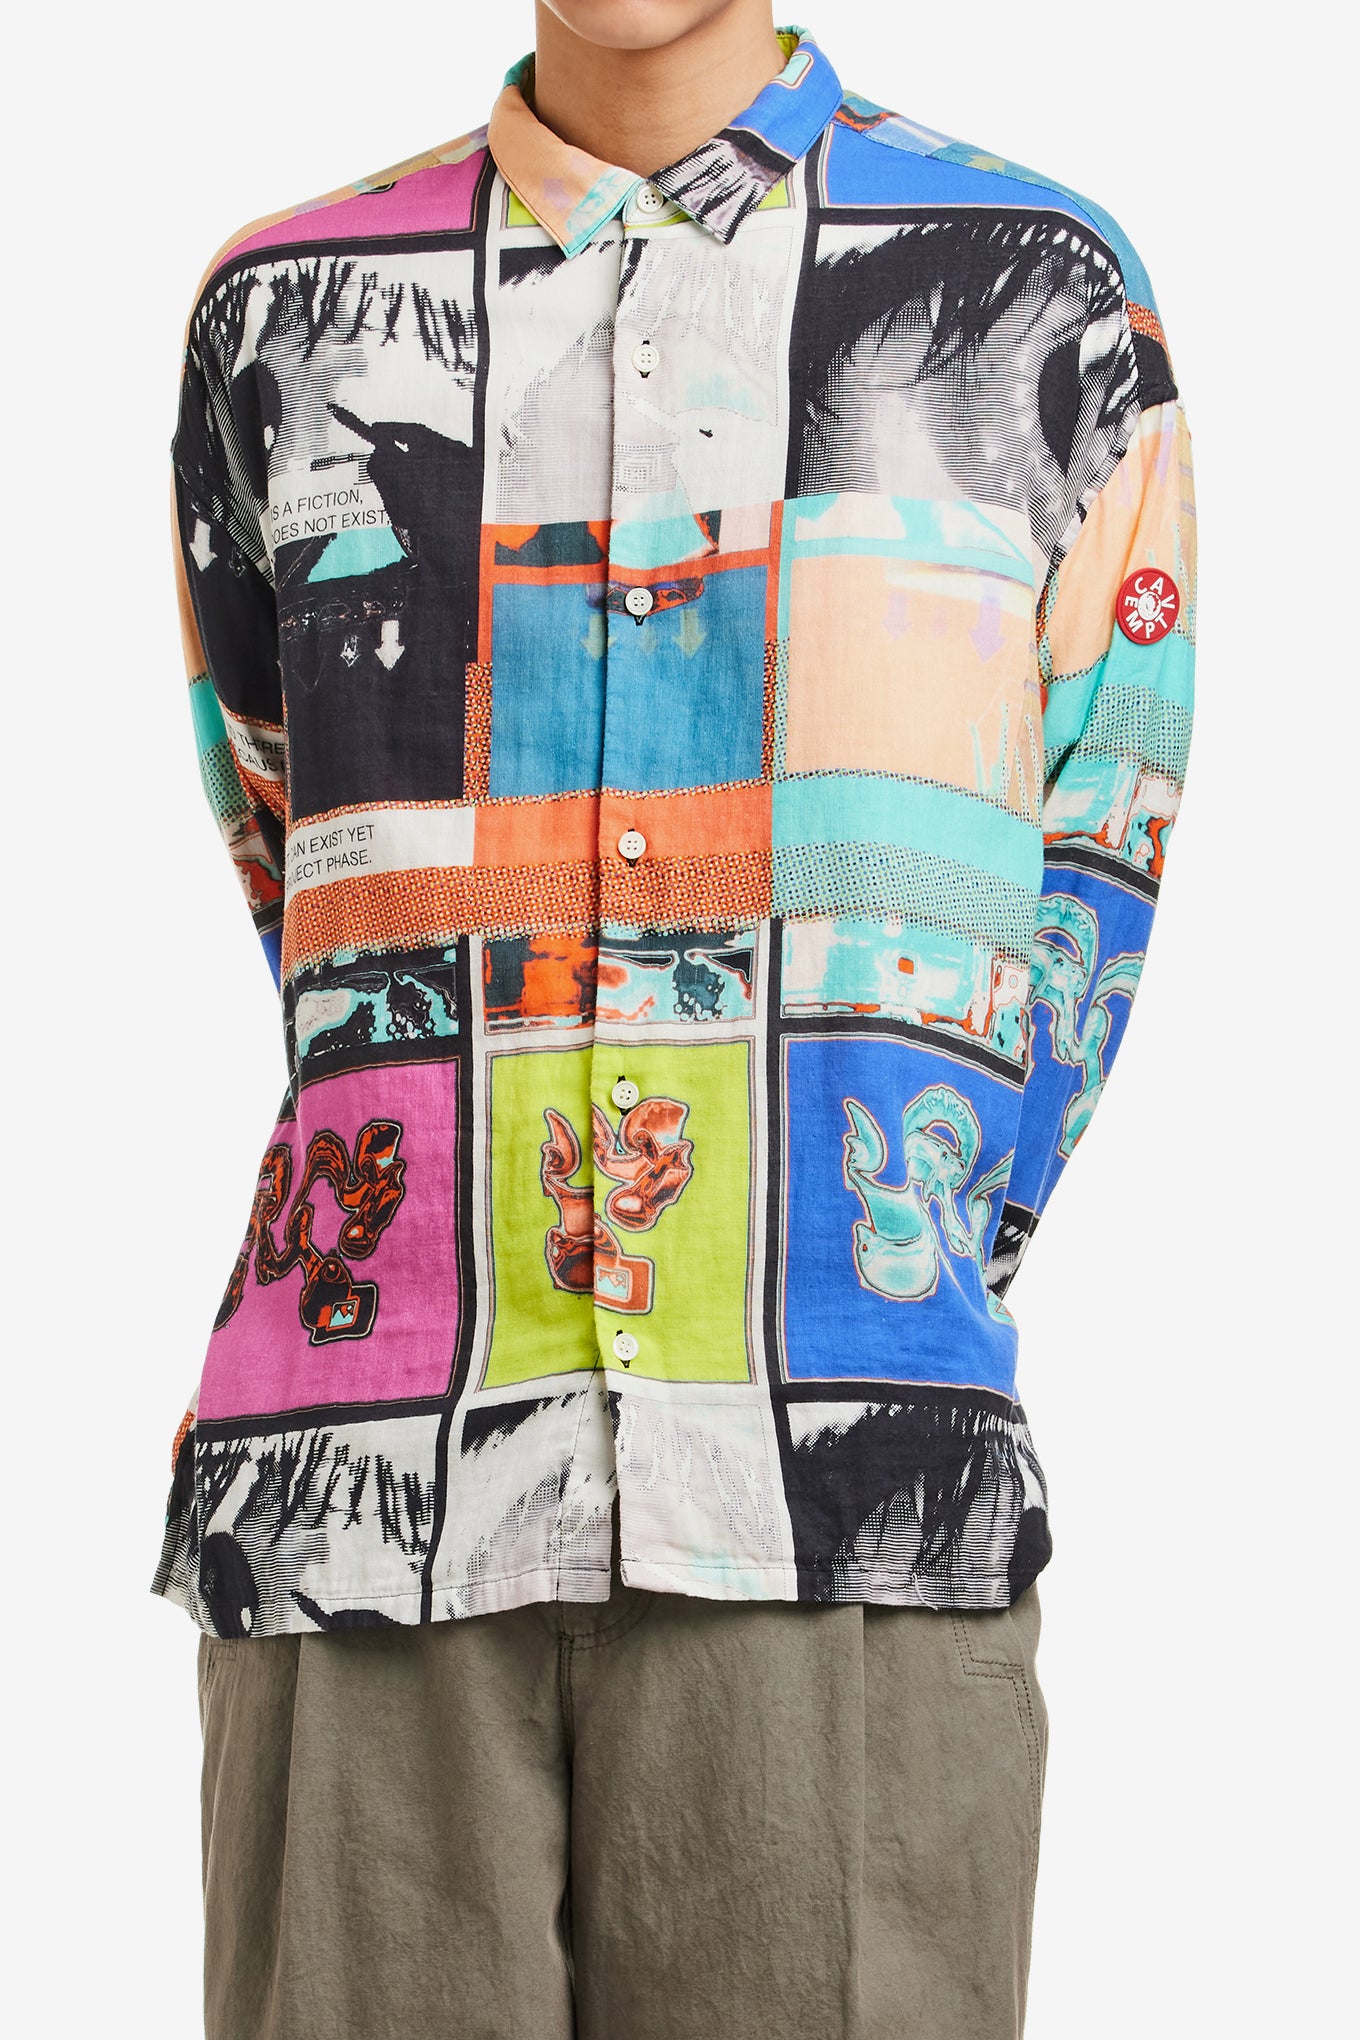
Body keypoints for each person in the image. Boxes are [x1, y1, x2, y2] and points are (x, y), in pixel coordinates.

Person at [155, 3, 1196, 2034]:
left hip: (835, 1504)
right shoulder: (283, 316)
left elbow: (1091, 870)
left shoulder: (1031, 294)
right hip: (370, 1501)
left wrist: (879, 1268)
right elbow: (296, 856)